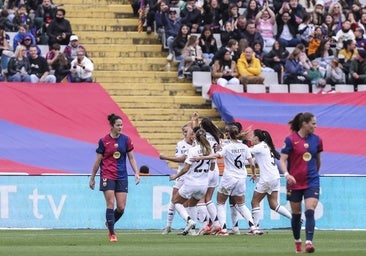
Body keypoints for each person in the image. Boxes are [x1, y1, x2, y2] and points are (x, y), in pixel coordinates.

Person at [191, 124, 261, 236]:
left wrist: (201, 157)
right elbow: (252, 163)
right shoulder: (244, 147)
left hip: (229, 178)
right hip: (241, 178)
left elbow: (214, 156)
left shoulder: (227, 147)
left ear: (229, 134)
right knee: (241, 204)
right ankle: (254, 227)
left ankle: (223, 229)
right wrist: (253, 174)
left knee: (220, 203)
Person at [89, 113, 140, 242]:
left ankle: (109, 223)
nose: (121, 127)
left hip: (122, 176)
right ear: (112, 126)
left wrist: (136, 172)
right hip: (107, 175)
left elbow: (131, 158)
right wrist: (93, 177)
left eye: (122, 125)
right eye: (118, 125)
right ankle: (112, 234)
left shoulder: (126, 140)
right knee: (110, 203)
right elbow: (97, 161)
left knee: (121, 207)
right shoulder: (103, 141)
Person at [279, 112, 323, 254]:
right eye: (313, 123)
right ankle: (298, 241)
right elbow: (282, 160)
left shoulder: (317, 140)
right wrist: (287, 174)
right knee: (296, 214)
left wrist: (314, 174)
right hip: (294, 182)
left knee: (310, 210)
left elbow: (318, 160)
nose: (315, 126)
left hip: (311, 181)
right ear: (305, 124)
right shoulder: (290, 139)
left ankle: (309, 242)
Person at [169, 128, 215, 236]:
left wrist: (175, 175)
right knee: (192, 205)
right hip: (203, 185)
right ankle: (192, 231)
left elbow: (185, 168)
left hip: (191, 182)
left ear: (195, 137)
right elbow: (212, 168)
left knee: (176, 202)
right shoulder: (209, 151)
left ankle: (189, 220)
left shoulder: (193, 150)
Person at [250, 129, 292, 230]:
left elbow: (246, 152)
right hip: (275, 178)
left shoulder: (259, 147)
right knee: (274, 204)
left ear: (256, 138)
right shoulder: (266, 147)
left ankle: (255, 228)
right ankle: (294, 219)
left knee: (254, 202)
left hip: (267, 179)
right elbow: (252, 160)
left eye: (252, 136)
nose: (251, 138)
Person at [160, 120, 195, 234]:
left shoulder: (196, 144)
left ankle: (191, 227)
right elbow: (180, 159)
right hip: (181, 174)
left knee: (189, 203)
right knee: (174, 200)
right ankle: (168, 226)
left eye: (187, 131)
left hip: (192, 175)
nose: (185, 133)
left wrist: (165, 157)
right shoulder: (180, 144)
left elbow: (182, 159)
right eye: (183, 132)